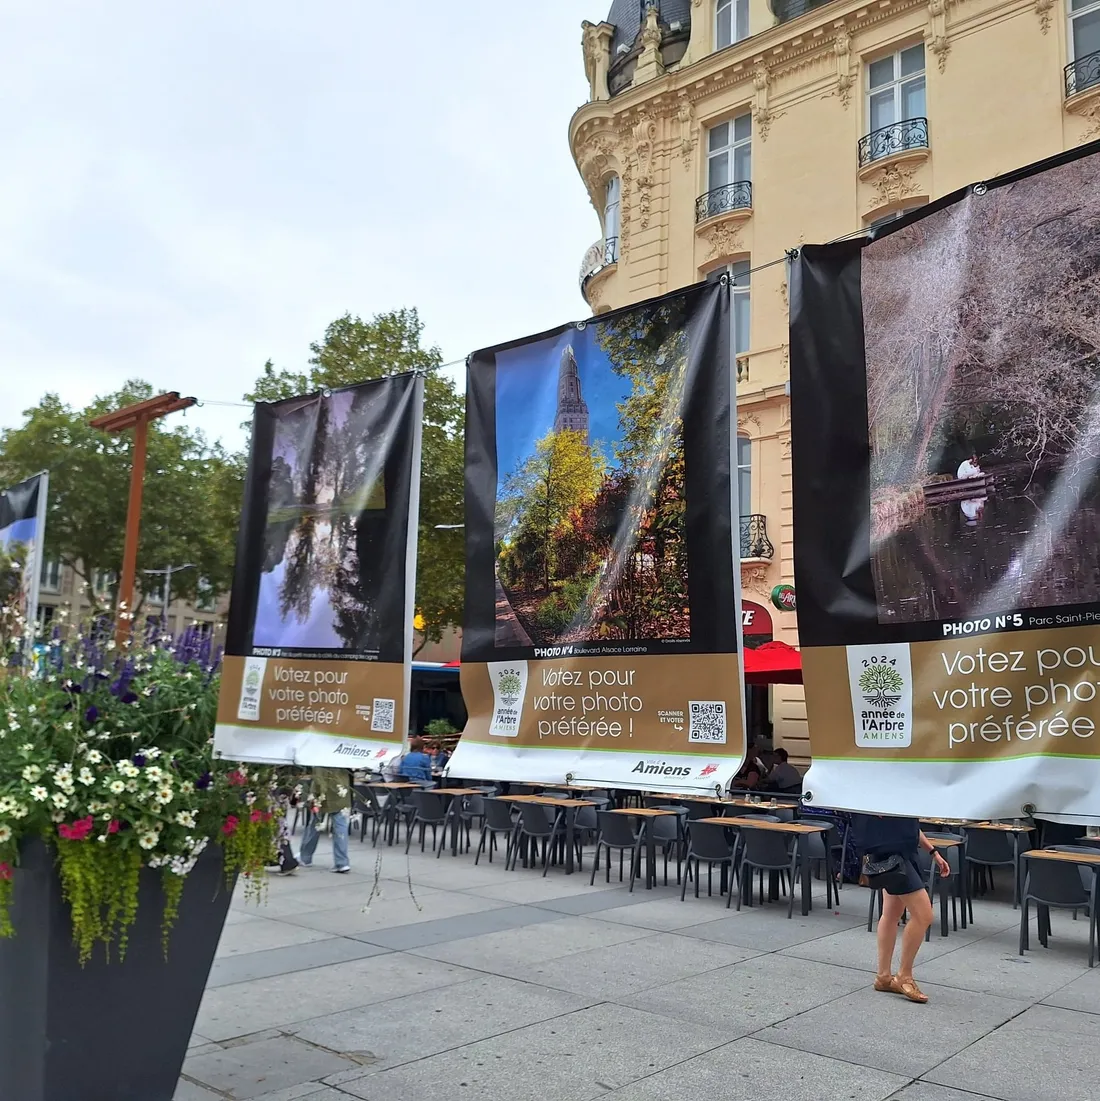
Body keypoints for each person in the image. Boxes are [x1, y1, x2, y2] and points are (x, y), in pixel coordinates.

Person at [855, 814, 950, 1002]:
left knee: (890, 914)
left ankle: (883, 976)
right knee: (923, 915)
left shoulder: (895, 792)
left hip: (897, 853)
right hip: (893, 854)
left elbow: (910, 824)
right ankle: (904, 976)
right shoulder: (884, 790)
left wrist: (933, 852)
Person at [298, 766, 352, 873]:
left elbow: (318, 775)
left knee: (315, 824)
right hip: (341, 788)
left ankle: (306, 857)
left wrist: (315, 793)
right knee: (340, 825)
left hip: (323, 789)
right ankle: (342, 862)